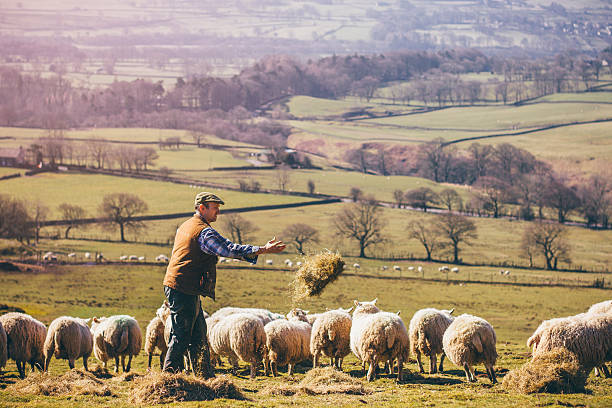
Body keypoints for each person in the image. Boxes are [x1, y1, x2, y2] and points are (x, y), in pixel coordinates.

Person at [162, 191, 286, 376]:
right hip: (183, 287)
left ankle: (204, 377)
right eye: (214, 209)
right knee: (181, 335)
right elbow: (228, 249)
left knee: (198, 335)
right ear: (201, 208)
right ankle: (169, 378)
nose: (217, 213)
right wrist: (262, 250)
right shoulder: (204, 232)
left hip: (183, 286)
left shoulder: (188, 225)